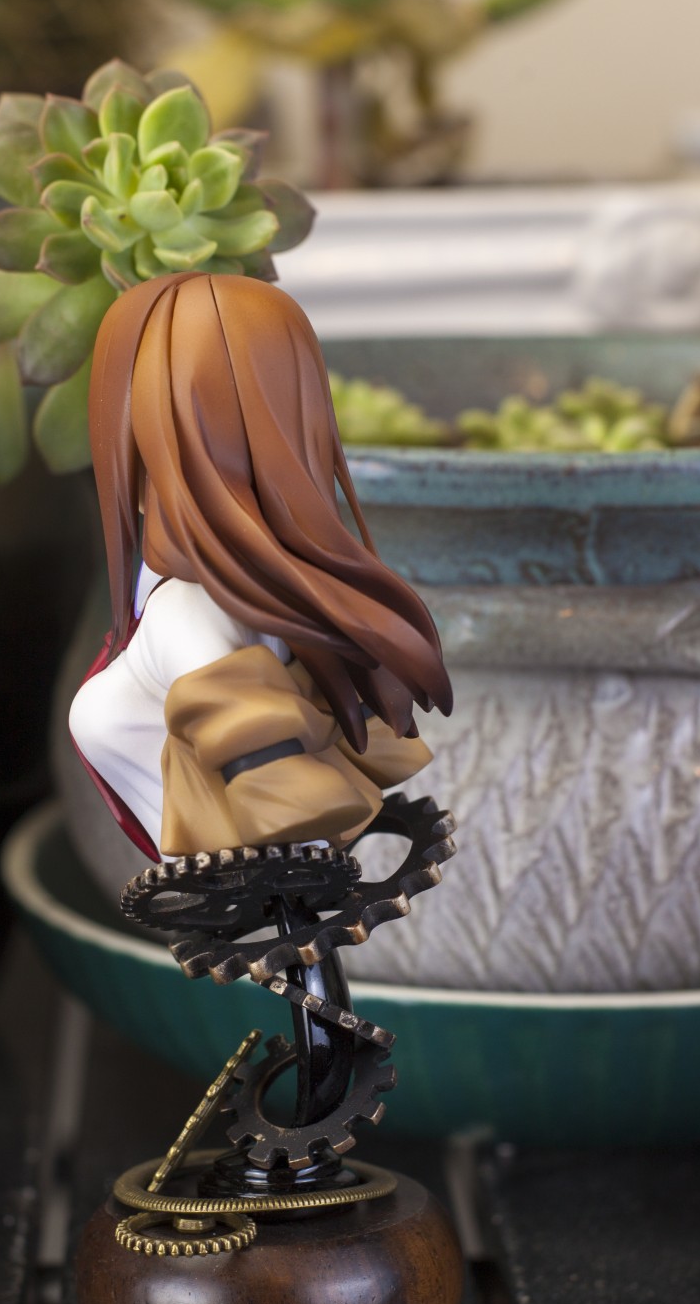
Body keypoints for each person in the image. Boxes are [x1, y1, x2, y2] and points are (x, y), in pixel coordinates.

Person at [69, 270, 452, 862]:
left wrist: (283, 810)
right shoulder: (243, 595)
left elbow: (251, 740)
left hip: (252, 866)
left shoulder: (188, 611)